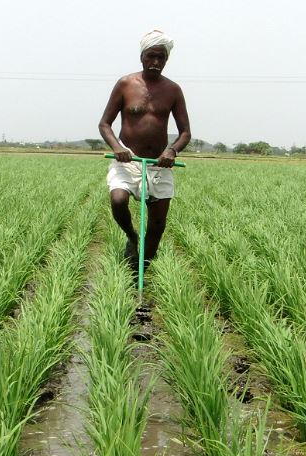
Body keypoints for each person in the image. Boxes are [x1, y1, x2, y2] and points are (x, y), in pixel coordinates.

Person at [98, 29, 191, 274]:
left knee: (158, 224)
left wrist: (172, 151)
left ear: (166, 59)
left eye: (161, 57)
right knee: (118, 201)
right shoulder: (125, 84)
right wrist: (117, 148)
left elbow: (185, 133)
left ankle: (141, 271)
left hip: (159, 163)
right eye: (151, 56)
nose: (156, 62)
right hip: (127, 158)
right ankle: (131, 235)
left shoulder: (173, 90)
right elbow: (104, 124)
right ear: (142, 56)